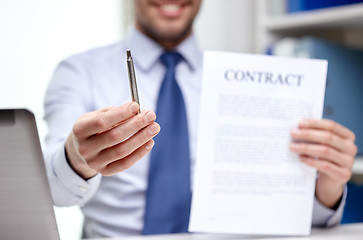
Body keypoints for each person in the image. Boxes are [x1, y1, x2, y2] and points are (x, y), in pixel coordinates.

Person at [44, 0, 357, 238]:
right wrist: (76, 157)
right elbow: (54, 192)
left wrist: (326, 186)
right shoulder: (79, 72)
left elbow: (292, 216)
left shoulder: (248, 78)